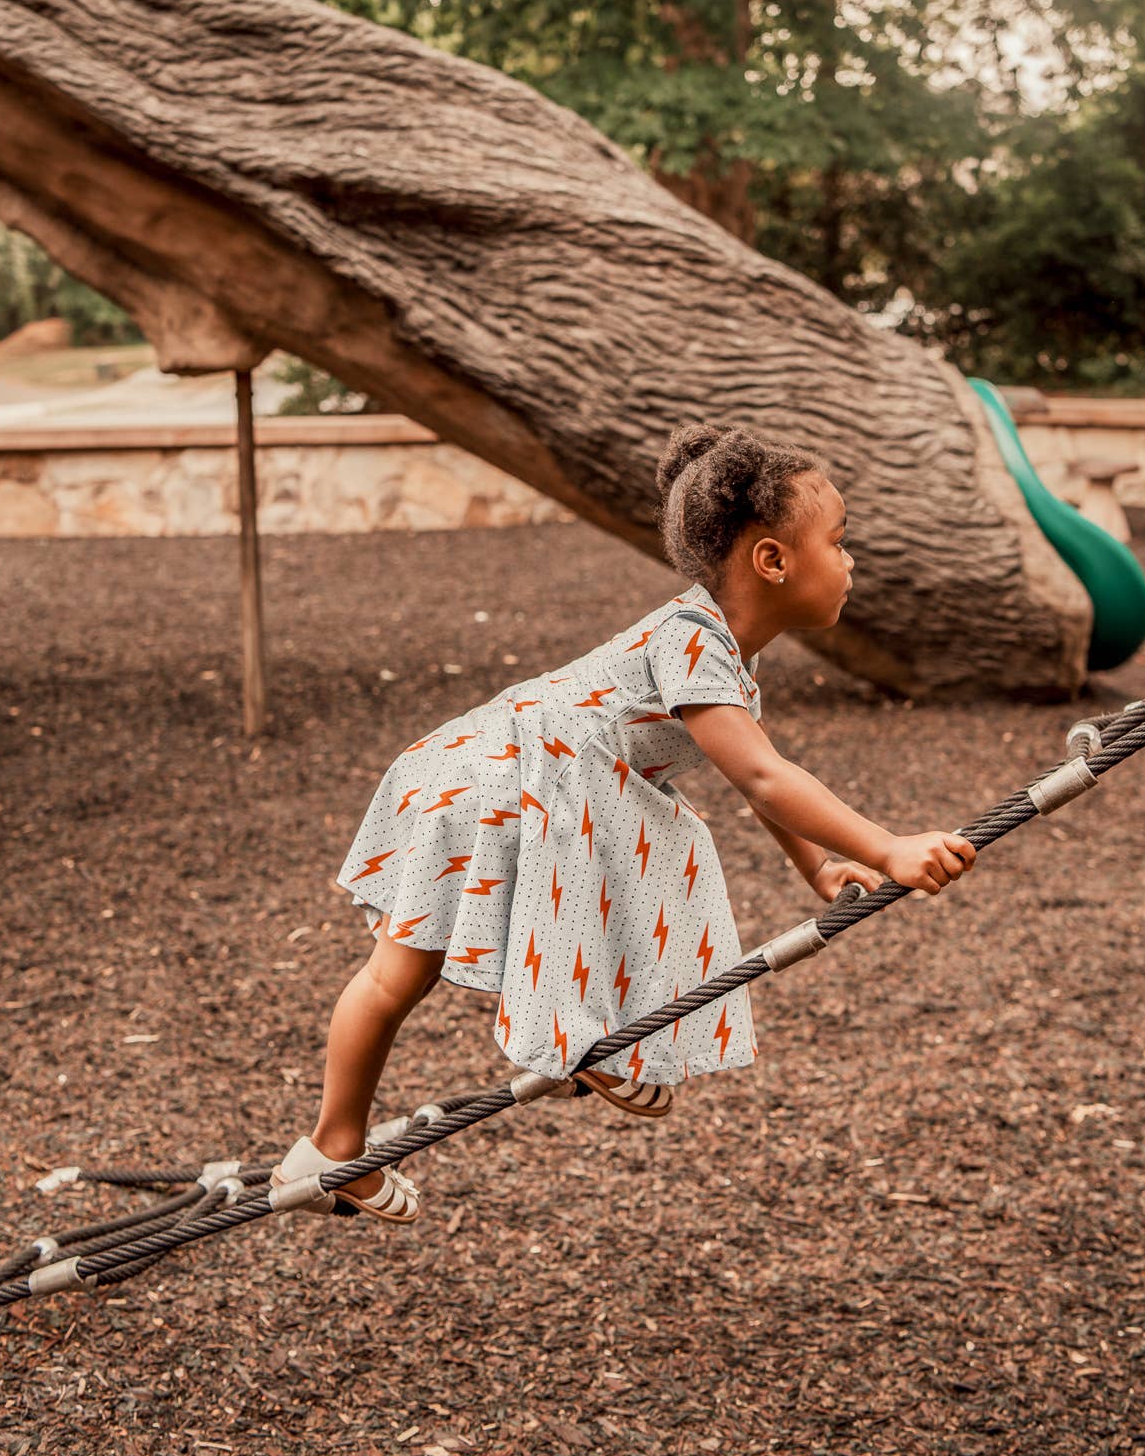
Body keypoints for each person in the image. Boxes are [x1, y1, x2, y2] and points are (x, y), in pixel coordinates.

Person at [271, 422, 976, 1221]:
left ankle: (341, 1144)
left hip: (502, 775)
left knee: (407, 971)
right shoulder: (689, 641)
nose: (851, 563)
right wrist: (887, 846)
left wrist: (815, 865)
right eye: (841, 543)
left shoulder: (718, 650)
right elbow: (762, 775)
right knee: (413, 966)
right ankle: (376, 1129)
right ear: (773, 561)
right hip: (501, 782)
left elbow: (755, 767)